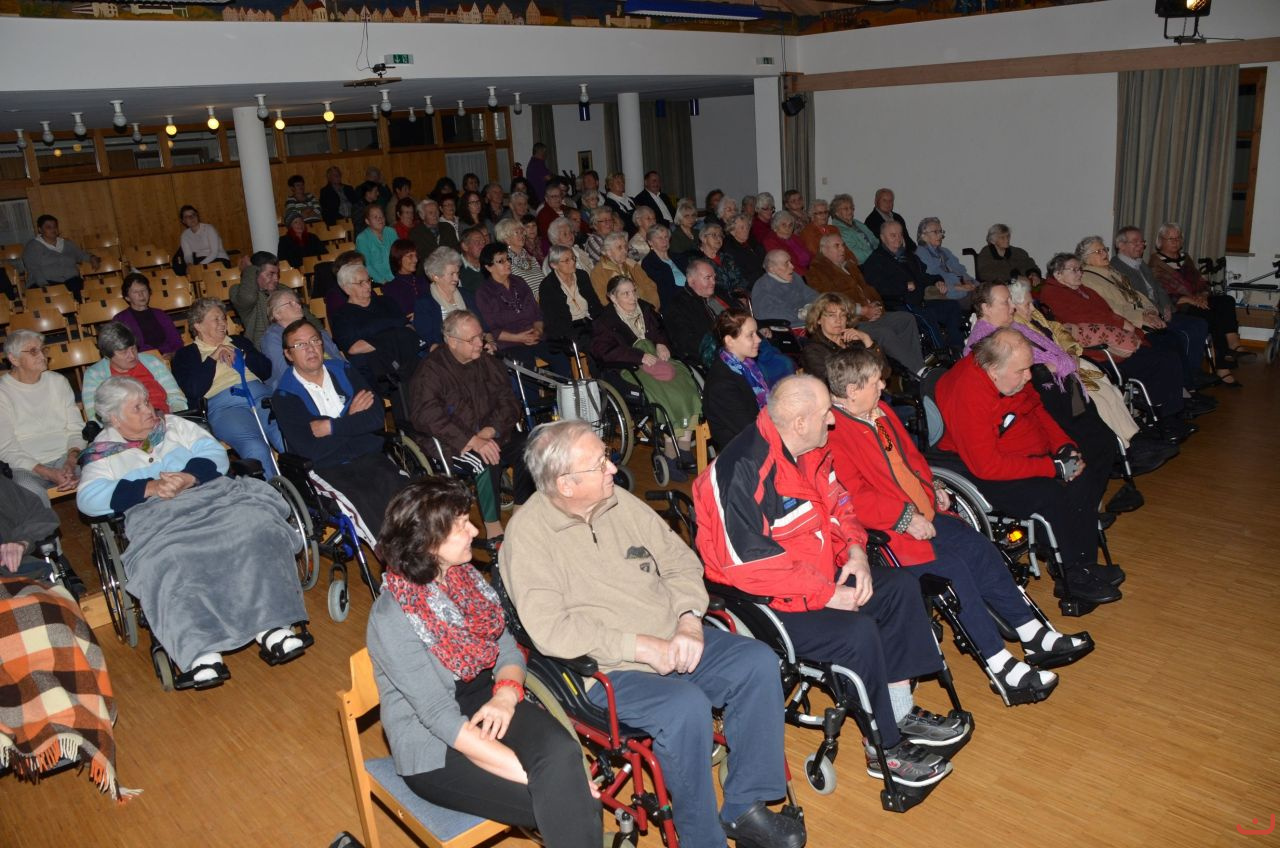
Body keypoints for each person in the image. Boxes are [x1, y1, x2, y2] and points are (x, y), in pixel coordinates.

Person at [500, 419, 807, 848]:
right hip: (605, 668)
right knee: (685, 708)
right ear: (566, 484)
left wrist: (688, 619)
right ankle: (702, 840)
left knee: (757, 662)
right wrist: (642, 647)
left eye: (607, 457)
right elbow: (553, 629)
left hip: (674, 636)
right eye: (600, 464)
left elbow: (681, 562)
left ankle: (745, 807)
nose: (613, 468)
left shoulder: (618, 501)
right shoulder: (529, 536)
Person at [692, 376, 963, 787]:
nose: (832, 422)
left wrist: (855, 552)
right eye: (825, 415)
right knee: (858, 632)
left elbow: (840, 505)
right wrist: (827, 593)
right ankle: (884, 749)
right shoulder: (742, 471)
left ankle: (899, 711)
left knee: (899, 589)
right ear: (800, 422)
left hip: (813, 574)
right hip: (764, 599)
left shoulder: (811, 451)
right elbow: (748, 565)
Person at [822, 347, 1094, 702]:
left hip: (924, 513)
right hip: (888, 533)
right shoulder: (833, 434)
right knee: (954, 570)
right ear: (852, 390)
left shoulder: (880, 413)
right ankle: (1000, 666)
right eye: (876, 382)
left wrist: (933, 485)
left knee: (981, 548)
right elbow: (853, 497)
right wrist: (905, 518)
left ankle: (1033, 634)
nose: (884, 386)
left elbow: (913, 458)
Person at [367, 477, 602, 846]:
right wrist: (537, 776)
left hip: (489, 703)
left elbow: (506, 648)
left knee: (563, 755)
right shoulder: (392, 616)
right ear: (428, 544)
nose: (475, 531)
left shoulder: (464, 578)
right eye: (462, 525)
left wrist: (506, 695)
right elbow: (439, 717)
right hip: (434, 746)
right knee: (566, 798)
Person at [77, 376, 309, 688]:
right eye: (137, 407)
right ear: (114, 418)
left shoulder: (173, 426)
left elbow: (215, 455)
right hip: (159, 516)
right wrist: (149, 487)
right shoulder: (102, 453)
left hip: (213, 497)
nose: (149, 409)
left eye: (147, 401)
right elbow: (88, 500)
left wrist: (188, 477)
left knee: (257, 526)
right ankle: (201, 650)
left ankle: (273, 626)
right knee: (171, 558)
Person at [934, 329, 1123, 604]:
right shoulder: (969, 395)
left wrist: (1064, 447)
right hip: (978, 466)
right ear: (994, 370)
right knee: (1051, 494)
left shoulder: (1008, 377)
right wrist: (1053, 468)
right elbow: (987, 466)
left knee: (1082, 476)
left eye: (1029, 368)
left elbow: (1036, 410)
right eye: (1022, 371)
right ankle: (1071, 577)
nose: (1029, 376)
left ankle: (1084, 564)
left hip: (1020, 450)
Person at [1, 479, 125, 798]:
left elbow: (42, 515)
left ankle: (68, 727)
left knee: (45, 620)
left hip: (15, 581)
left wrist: (19, 541)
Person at [965, 284, 1135, 512]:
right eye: (1006, 302)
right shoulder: (984, 342)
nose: (1012, 306)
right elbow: (1010, 388)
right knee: (1092, 443)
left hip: (1057, 389)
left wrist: (1058, 364)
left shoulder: (1014, 328)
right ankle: (1086, 506)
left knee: (1102, 437)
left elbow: (1051, 350)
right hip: (1037, 402)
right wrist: (1045, 368)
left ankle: (1090, 502)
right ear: (986, 307)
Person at [408, 311, 533, 553]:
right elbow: (426, 416)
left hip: (490, 433)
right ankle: (494, 529)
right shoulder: (431, 371)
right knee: (484, 460)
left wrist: (491, 429)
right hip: (451, 442)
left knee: (531, 445)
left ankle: (520, 513)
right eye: (472, 339)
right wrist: (472, 439)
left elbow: (509, 401)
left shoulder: (486, 362)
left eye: (481, 336)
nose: (480, 343)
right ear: (451, 341)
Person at [271, 319, 405, 539]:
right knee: (365, 505)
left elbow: (375, 417)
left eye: (314, 340)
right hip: (327, 468)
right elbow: (311, 450)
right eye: (300, 345)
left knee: (407, 496)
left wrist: (331, 426)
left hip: (368, 455)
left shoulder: (344, 369)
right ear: (288, 354)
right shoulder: (285, 396)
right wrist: (351, 417)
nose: (310, 348)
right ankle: (393, 558)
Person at [1040, 249, 1190, 436]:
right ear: (1058, 274)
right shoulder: (1053, 293)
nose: (1080, 273)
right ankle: (1164, 420)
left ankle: (1170, 415)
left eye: (1080, 269)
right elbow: (1083, 318)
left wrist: (1126, 325)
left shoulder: (1083, 290)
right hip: (1097, 352)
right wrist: (1121, 324)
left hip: (1114, 342)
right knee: (1162, 361)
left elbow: (1108, 312)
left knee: (1166, 351)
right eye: (1074, 270)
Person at [591, 275, 701, 474]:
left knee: (687, 385)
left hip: (656, 360)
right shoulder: (605, 321)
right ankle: (670, 456)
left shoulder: (645, 309)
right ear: (612, 297)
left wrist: (661, 343)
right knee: (670, 395)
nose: (632, 297)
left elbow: (661, 331)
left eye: (633, 291)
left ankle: (684, 450)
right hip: (629, 367)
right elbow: (604, 351)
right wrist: (639, 356)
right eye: (625, 294)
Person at [172, 298, 282, 478]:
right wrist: (212, 358)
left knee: (285, 435)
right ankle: (273, 492)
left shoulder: (239, 342)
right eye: (216, 319)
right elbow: (193, 389)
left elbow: (266, 370)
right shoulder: (185, 355)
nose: (223, 323)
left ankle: (313, 485)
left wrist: (243, 355)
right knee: (255, 446)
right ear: (198, 325)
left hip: (262, 398)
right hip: (226, 407)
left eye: (223, 318)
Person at [1111, 226, 1216, 389]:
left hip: (1161, 311)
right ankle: (1186, 380)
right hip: (1147, 316)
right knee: (1183, 334)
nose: (1141, 245)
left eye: (1142, 242)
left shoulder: (1141, 264)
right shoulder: (1116, 268)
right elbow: (1133, 297)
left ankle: (1192, 373)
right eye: (1135, 242)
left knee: (1199, 324)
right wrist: (1158, 311)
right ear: (1121, 245)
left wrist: (1167, 306)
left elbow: (1158, 288)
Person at [807, 233, 926, 373]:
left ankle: (917, 368)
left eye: (843, 245)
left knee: (906, 319)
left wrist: (877, 306)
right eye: (836, 246)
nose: (842, 249)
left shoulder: (849, 266)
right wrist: (862, 310)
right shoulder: (817, 270)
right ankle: (919, 371)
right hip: (851, 320)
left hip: (870, 314)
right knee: (884, 333)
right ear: (824, 249)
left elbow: (868, 289)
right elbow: (829, 301)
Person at [1148, 221, 1244, 387]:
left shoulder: (1185, 259)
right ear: (1160, 241)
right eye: (1171, 238)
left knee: (1227, 301)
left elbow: (1200, 282)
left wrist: (1203, 295)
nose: (1176, 241)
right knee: (1212, 316)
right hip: (1179, 306)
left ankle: (1234, 343)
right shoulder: (1155, 264)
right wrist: (1190, 299)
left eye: (1178, 238)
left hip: (1196, 300)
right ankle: (1223, 368)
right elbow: (1160, 294)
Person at [0, 330, 84, 504]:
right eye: (33, 351)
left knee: (97, 472)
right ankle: (46, 524)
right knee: (28, 490)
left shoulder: (58, 382)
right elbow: (7, 449)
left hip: (65, 456)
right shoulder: (3, 392)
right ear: (14, 359)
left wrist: (71, 460)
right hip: (26, 465)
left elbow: (76, 429)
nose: (42, 356)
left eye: (42, 349)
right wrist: (46, 472)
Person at [860, 221, 965, 356]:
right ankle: (942, 355)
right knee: (926, 317)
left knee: (952, 306)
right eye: (893, 235)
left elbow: (922, 277)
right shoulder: (875, 261)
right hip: (897, 305)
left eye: (900, 235)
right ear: (882, 237)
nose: (898, 238)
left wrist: (937, 280)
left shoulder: (909, 257)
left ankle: (958, 349)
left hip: (918, 302)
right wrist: (903, 286)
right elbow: (878, 288)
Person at [329, 262, 421, 406]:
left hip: (406, 360)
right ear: (346, 288)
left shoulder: (387, 301)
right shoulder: (342, 316)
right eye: (361, 283)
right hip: (376, 372)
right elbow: (354, 348)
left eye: (368, 280)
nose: (368, 286)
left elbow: (409, 329)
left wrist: (376, 340)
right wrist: (396, 335)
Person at [81, 322, 186, 422]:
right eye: (124, 352)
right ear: (108, 355)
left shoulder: (152, 362)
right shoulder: (94, 375)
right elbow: (95, 416)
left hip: (167, 419)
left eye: (133, 348)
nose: (132, 355)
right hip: (126, 429)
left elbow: (176, 397)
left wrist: (174, 419)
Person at [702, 310, 772, 447]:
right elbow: (749, 430)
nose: (758, 339)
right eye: (750, 335)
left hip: (758, 439)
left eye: (756, 333)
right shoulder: (721, 383)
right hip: (743, 451)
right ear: (730, 341)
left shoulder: (748, 367)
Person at [260, 289, 341, 392]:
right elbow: (285, 373)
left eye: (298, 302)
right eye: (290, 303)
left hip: (336, 378)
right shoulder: (272, 338)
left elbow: (340, 360)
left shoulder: (315, 331)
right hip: (301, 389)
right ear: (277, 314)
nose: (298, 306)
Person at [412, 247, 483, 351]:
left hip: (475, 346)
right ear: (435, 277)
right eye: (451, 274)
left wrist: (490, 342)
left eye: (457, 273)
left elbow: (483, 326)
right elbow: (429, 341)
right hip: (445, 352)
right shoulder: (424, 304)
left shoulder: (466, 295)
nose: (456, 279)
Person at [799, 294, 875, 385]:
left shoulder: (855, 341)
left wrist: (867, 339)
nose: (838, 320)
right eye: (832, 315)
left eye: (842, 315)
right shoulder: (813, 350)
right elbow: (834, 383)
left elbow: (885, 372)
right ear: (818, 319)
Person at [540, 245, 602, 352]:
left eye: (573, 258)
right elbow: (553, 320)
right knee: (595, 343)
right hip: (569, 329)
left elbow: (595, 303)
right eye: (567, 260)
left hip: (589, 322)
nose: (573, 262)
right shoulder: (548, 285)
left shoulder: (582, 275)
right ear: (554, 265)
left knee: (613, 333)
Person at [22, 214, 98, 300]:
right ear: (40, 230)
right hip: (45, 283)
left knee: (84, 289)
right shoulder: (33, 246)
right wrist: (44, 285)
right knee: (60, 296)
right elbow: (33, 268)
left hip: (71, 282)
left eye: (55, 227)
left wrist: (92, 257)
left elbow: (80, 254)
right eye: (48, 227)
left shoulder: (66, 243)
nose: (53, 229)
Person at [113, 272, 184, 356]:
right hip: (140, 360)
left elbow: (176, 341)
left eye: (144, 290)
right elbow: (120, 350)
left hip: (167, 357)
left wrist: (172, 355)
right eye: (135, 292)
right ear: (127, 297)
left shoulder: (161, 314)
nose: (141, 295)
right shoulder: (120, 319)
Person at [915, 218, 976, 308]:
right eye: (936, 232)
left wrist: (967, 281)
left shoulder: (945, 251)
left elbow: (960, 270)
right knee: (984, 299)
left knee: (989, 291)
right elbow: (932, 278)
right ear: (923, 236)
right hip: (949, 293)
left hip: (964, 288)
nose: (940, 235)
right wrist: (960, 287)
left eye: (941, 231)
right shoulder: (921, 253)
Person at [590, 230, 660, 308]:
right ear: (608, 252)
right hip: (621, 312)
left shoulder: (632, 264)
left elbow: (650, 286)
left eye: (626, 247)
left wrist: (651, 307)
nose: (625, 251)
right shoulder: (598, 272)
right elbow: (604, 300)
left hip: (646, 307)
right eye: (619, 248)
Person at [229, 250, 284, 348]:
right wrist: (249, 268)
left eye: (277, 274)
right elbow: (248, 298)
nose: (276, 279)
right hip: (262, 347)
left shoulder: (282, 289)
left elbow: (305, 314)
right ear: (256, 273)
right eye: (270, 274)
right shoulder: (237, 290)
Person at [751, 250, 818, 328]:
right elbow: (763, 312)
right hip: (789, 327)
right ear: (772, 269)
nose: (792, 266)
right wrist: (798, 314)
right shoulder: (763, 286)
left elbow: (809, 293)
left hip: (810, 319)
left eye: (790, 262)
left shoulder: (794, 277)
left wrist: (810, 306)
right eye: (786, 263)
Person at [640, 224, 688, 311]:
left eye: (666, 237)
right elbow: (664, 288)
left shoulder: (679, 257)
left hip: (690, 296)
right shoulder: (649, 263)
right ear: (650, 242)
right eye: (659, 238)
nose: (664, 241)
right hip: (673, 305)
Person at [974, 224, 1041, 285]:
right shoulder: (986, 253)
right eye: (1002, 237)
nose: (1007, 240)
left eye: (1008, 236)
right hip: (998, 288)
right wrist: (1014, 277)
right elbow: (985, 273)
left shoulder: (1019, 252)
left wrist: (1033, 274)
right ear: (993, 240)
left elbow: (1029, 264)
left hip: (1022, 286)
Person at [409, 198, 460, 271]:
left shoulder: (448, 227)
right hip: (427, 271)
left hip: (450, 269)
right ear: (422, 216)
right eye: (431, 213)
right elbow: (420, 257)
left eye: (436, 212)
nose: (435, 215)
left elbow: (456, 250)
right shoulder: (415, 233)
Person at [695, 221, 746, 295]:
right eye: (714, 235)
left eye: (720, 235)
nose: (718, 238)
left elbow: (741, 276)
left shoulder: (727, 257)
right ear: (703, 238)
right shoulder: (698, 261)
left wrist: (740, 291)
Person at [829, 194, 878, 264]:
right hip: (864, 263)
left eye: (851, 207)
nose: (850, 211)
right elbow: (856, 254)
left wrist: (881, 251)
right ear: (836, 213)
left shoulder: (856, 222)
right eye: (846, 209)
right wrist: (878, 256)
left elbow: (873, 238)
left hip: (875, 257)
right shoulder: (839, 230)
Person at [383, 239, 429, 316]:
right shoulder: (391, 288)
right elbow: (398, 317)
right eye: (410, 256)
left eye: (416, 255)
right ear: (398, 258)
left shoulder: (423, 280)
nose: (415, 260)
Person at [722, 213, 766, 289]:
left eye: (747, 227)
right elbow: (741, 277)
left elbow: (764, 258)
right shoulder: (730, 249)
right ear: (732, 231)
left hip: (763, 278)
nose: (746, 230)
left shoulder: (752, 241)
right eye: (742, 228)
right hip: (751, 286)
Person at [760, 211, 812, 276]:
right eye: (783, 225)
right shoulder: (770, 241)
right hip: (794, 275)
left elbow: (809, 254)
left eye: (790, 225)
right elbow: (786, 266)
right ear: (775, 227)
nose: (788, 228)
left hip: (808, 270)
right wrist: (808, 275)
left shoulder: (794, 237)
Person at [864, 188, 915, 252]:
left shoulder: (898, 217)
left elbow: (907, 238)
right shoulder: (871, 221)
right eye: (884, 200)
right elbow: (878, 245)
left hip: (907, 253)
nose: (888, 203)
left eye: (890, 200)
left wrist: (916, 251)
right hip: (889, 255)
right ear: (876, 201)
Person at [355, 205, 394, 285]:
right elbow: (367, 266)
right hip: (375, 281)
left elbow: (400, 255)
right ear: (367, 221)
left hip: (395, 277)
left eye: (381, 216)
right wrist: (383, 282)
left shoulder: (391, 232)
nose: (380, 219)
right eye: (375, 217)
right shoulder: (362, 239)